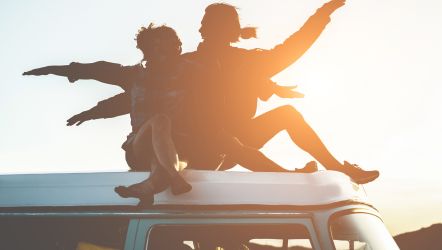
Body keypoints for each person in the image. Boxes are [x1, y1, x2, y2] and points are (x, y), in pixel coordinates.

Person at [27, 0, 379, 184]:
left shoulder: (239, 62)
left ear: (223, 29)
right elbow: (143, 92)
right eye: (201, 23)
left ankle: (336, 168)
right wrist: (95, 110)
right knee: (226, 139)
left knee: (285, 118)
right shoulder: (188, 63)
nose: (197, 28)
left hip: (228, 137)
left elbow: (291, 49)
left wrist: (322, 15)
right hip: (201, 141)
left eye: (205, 23)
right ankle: (288, 176)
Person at [24, 24, 316, 206]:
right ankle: (172, 178)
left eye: (174, 46)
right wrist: (51, 72)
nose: (170, 53)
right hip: (139, 146)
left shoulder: (190, 71)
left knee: (227, 145)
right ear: (147, 52)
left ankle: (153, 185)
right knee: (161, 122)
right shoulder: (132, 75)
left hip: (178, 148)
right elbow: (90, 70)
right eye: (160, 50)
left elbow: (233, 78)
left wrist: (271, 86)